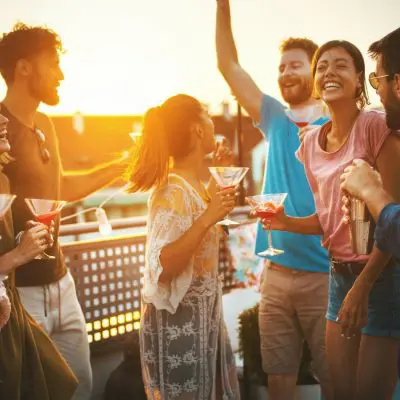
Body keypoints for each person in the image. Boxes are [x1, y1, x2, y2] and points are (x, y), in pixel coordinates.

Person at [264, 40, 400, 399]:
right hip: (338, 277)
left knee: (371, 393)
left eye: (340, 66)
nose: (328, 73)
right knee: (340, 392)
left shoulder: (376, 126)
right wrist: (284, 222)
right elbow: (328, 222)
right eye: (322, 67)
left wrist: (365, 284)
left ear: (360, 80)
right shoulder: (310, 144)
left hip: (381, 276)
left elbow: (393, 219)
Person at [0, 23, 126, 399]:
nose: (61, 74)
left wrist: (122, 165)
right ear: (24, 68)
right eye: (53, 63)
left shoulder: (45, 124)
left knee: (81, 389)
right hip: (21, 294)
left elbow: (61, 189)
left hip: (62, 283)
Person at [215, 1, 332, 398]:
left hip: (325, 275)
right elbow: (228, 66)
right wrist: (222, 6)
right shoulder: (274, 118)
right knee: (278, 376)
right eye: (281, 67)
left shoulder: (337, 126)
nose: (285, 73)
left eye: (295, 65)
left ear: (317, 71)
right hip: (277, 275)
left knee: (335, 376)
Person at [129, 94, 240, 399]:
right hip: (181, 326)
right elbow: (163, 268)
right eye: (206, 113)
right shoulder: (171, 189)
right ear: (197, 129)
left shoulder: (191, 186)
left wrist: (219, 177)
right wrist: (208, 217)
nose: (212, 120)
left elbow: (197, 233)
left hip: (205, 320)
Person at [0, 111, 78, 399]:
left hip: (12, 318)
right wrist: (17, 256)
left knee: (62, 381)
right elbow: (8, 259)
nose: (4, 119)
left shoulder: (3, 183)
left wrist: (25, 240)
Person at [335, 26, 400, 346]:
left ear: (397, 83)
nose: (378, 91)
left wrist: (372, 193)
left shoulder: (379, 130)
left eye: (379, 80)